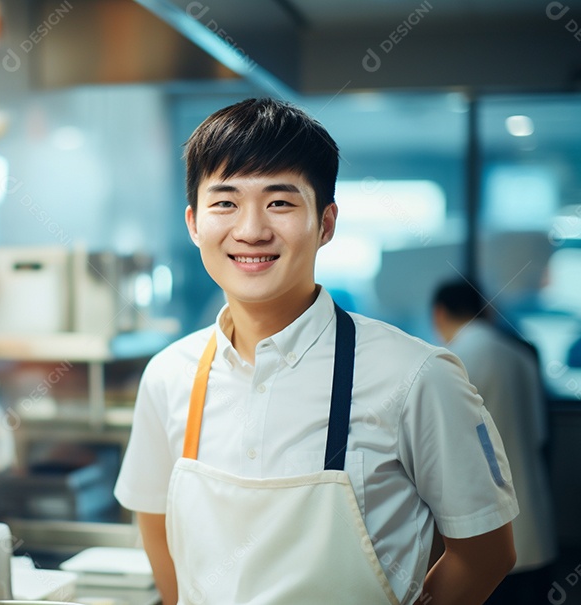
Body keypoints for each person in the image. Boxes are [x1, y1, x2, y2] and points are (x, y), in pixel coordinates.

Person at [114, 98, 518, 605]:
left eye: (280, 202)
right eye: (225, 202)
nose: (251, 230)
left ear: (325, 223)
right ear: (195, 223)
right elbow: (155, 523)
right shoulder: (169, 374)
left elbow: (486, 552)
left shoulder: (415, 376)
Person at [432, 279, 557, 605]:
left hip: (483, 532)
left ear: (439, 313)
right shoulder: (522, 355)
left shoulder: (448, 362)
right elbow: (541, 437)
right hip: (535, 527)